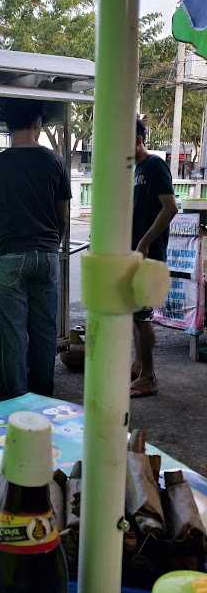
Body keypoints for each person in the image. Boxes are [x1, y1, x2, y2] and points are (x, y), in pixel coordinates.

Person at [0, 100, 71, 399]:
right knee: (44, 331)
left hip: (10, 257)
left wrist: (11, 211)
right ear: (36, 125)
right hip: (46, 255)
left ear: (9, 126)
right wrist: (51, 245)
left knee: (13, 332)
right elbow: (64, 215)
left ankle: (16, 398)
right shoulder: (55, 162)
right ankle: (43, 396)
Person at [131, 118, 177, 398]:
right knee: (135, 314)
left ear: (138, 139)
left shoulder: (154, 165)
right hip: (135, 251)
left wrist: (146, 241)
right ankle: (139, 367)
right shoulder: (135, 169)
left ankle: (148, 376)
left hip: (150, 252)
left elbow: (170, 207)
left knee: (142, 315)